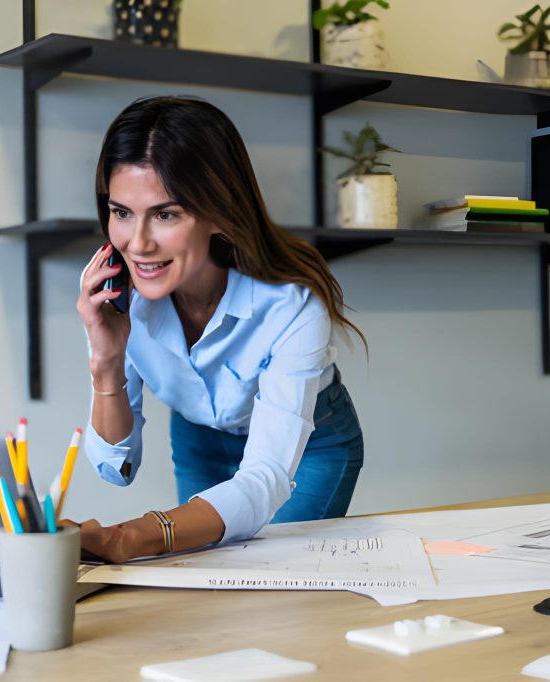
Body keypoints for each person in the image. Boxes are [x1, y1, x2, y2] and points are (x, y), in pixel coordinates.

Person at [72, 96, 364, 563]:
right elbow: (114, 468)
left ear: (217, 209)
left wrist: (126, 537)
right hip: (200, 438)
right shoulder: (120, 300)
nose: (138, 243)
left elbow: (265, 477)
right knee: (206, 577)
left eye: (165, 214)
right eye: (121, 212)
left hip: (308, 446)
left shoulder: (290, 304)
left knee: (275, 577)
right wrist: (106, 359)